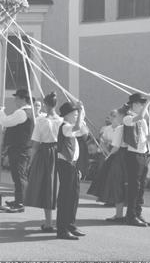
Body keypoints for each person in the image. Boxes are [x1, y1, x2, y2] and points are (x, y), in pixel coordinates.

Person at [24, 92, 63, 232]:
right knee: (58, 186)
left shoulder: (40, 121)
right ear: (56, 104)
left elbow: (35, 144)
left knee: (47, 186)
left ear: (45, 105)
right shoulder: (62, 121)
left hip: (45, 153)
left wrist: (30, 162)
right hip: (59, 154)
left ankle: (48, 222)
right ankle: (61, 221)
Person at [87, 105, 129, 222]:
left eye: (117, 116)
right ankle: (119, 211)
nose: (115, 118)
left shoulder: (121, 128)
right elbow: (103, 142)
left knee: (118, 183)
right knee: (115, 182)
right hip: (116, 155)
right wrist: (106, 152)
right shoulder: (110, 129)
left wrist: (109, 156)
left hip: (117, 156)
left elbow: (116, 147)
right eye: (113, 116)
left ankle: (120, 213)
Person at [0, 88, 35, 212]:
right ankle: (19, 199)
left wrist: (1, 111)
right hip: (22, 148)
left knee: (19, 176)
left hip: (20, 149)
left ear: (23, 99)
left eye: (17, 98)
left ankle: (21, 203)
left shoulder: (22, 112)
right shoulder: (29, 112)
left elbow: (5, 121)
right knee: (18, 176)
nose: (15, 100)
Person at [56, 101, 88, 240]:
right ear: (67, 115)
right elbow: (77, 126)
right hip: (65, 164)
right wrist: (81, 111)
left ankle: (70, 224)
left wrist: (82, 110)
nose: (76, 116)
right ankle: (62, 229)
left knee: (74, 196)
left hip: (72, 164)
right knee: (65, 197)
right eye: (74, 114)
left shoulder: (71, 127)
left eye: (77, 114)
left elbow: (83, 130)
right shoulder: (64, 126)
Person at [123, 92, 150, 227]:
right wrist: (149, 101)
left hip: (143, 154)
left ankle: (138, 212)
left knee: (141, 186)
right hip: (133, 154)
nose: (143, 106)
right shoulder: (128, 118)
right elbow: (141, 115)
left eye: (143, 104)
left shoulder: (142, 119)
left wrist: (149, 140)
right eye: (141, 104)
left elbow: (145, 136)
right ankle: (130, 215)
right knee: (134, 186)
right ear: (134, 104)